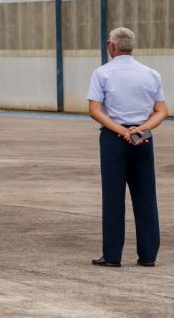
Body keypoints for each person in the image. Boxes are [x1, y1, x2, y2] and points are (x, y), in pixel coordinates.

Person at [87, 27, 168, 267]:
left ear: (111, 46)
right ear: (131, 47)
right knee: (146, 197)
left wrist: (122, 131)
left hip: (114, 138)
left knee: (113, 197)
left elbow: (94, 110)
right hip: (143, 138)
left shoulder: (102, 73)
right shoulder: (151, 74)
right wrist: (140, 130)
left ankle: (112, 255)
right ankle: (148, 256)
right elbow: (162, 110)